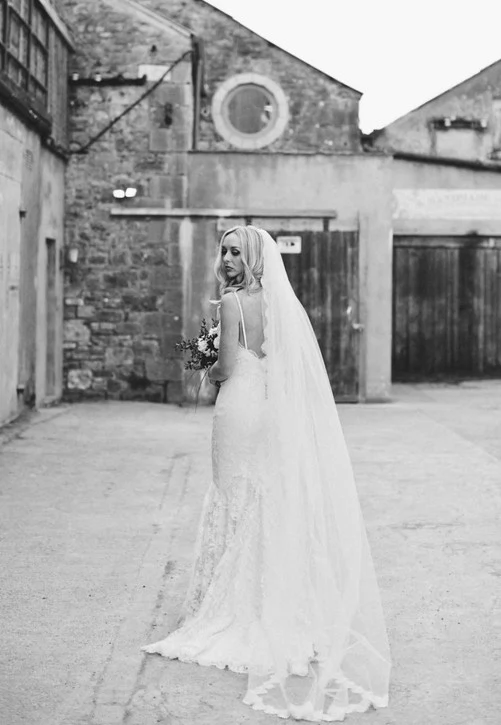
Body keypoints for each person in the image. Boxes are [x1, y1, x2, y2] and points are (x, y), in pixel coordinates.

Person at [142, 226, 391, 721]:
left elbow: (226, 367)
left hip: (238, 407)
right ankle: (271, 599)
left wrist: (206, 364)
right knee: (261, 496)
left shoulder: (232, 303)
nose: (227, 259)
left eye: (236, 252)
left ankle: (231, 605)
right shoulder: (282, 304)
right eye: (224, 250)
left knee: (231, 494)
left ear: (254, 257)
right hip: (270, 411)